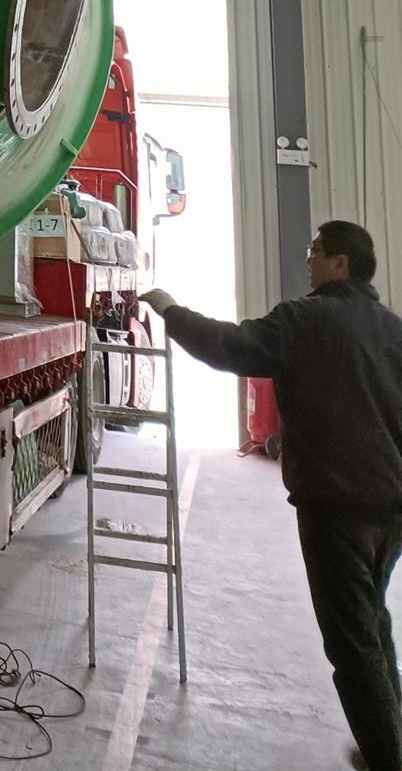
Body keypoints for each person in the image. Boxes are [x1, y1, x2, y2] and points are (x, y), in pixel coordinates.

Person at [143, 220, 402, 771]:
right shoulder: (392, 329)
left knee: (352, 644)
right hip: (392, 509)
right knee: (372, 624)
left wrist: (170, 310)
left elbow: (229, 346)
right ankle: (392, 738)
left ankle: (387, 757)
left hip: (337, 508)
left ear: (341, 264)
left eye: (317, 252)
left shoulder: (305, 320)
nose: (308, 261)